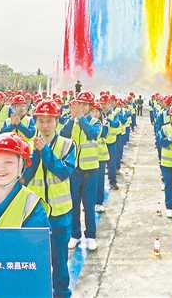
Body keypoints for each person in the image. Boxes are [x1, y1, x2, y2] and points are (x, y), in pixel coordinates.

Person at [22, 99, 76, 298]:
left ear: (57, 121)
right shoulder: (27, 146)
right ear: (35, 122)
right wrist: (36, 153)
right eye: (41, 121)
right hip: (34, 212)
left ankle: (62, 293)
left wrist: (44, 150)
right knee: (35, 258)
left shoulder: (68, 145)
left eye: (49, 120)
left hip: (60, 213)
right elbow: (24, 177)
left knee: (59, 258)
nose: (45, 125)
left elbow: (63, 172)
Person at [60, 91, 101, 251]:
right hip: (74, 171)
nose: (82, 107)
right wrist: (73, 118)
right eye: (80, 104)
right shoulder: (72, 122)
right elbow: (63, 134)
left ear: (90, 107)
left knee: (89, 205)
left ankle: (90, 236)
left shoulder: (95, 122)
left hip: (90, 171)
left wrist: (81, 118)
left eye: (85, 104)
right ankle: (75, 235)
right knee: (74, 205)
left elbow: (92, 134)